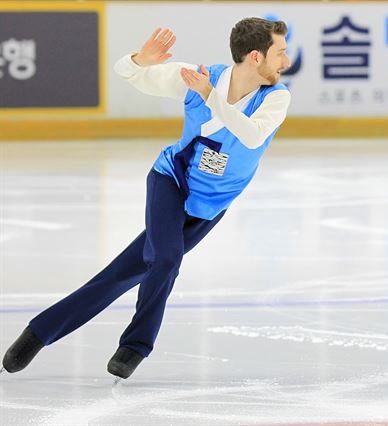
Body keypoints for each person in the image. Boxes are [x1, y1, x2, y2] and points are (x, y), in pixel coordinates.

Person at [2, 17, 291, 380]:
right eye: (280, 52)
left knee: (123, 273)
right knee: (166, 259)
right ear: (255, 57)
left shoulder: (276, 97)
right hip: (170, 180)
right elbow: (128, 72)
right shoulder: (197, 76)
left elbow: (250, 136)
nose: (286, 60)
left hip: (209, 205)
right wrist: (141, 58)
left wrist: (210, 97)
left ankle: (38, 333)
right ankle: (136, 346)